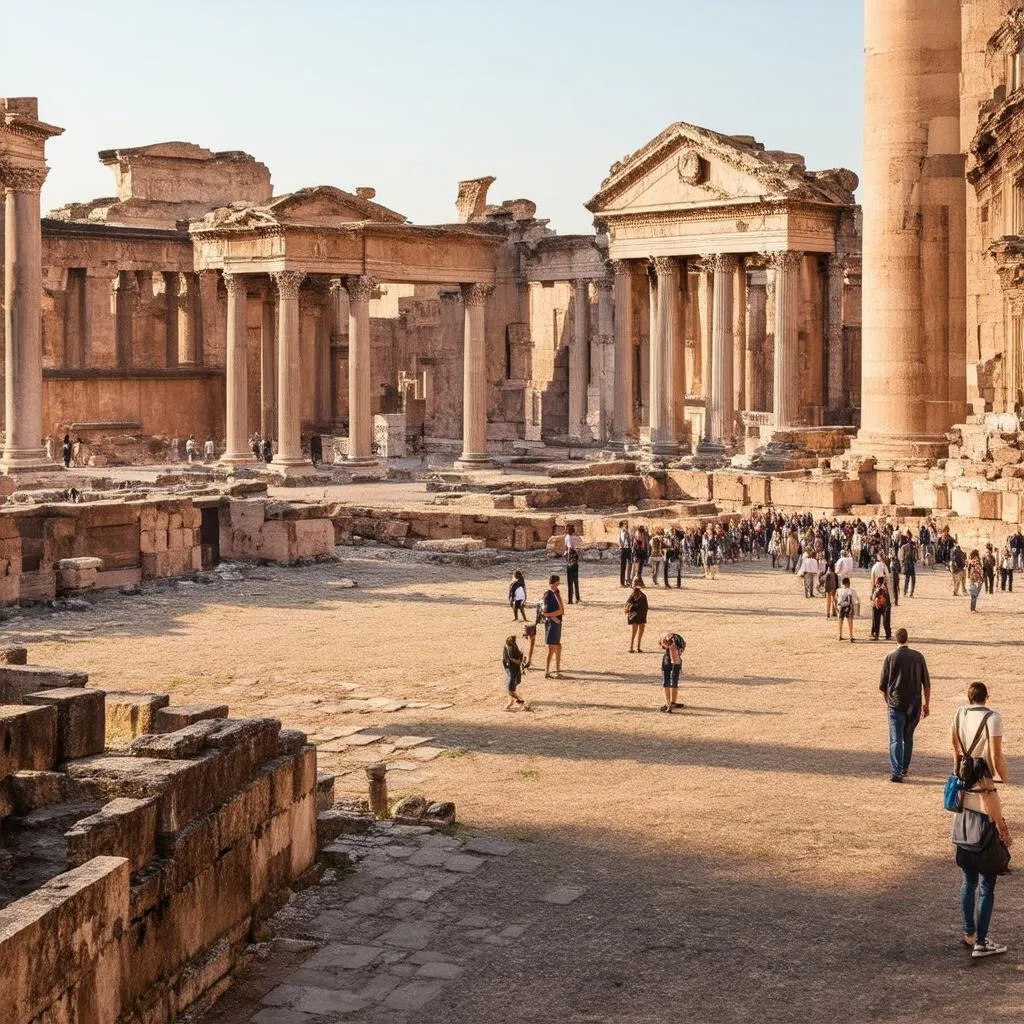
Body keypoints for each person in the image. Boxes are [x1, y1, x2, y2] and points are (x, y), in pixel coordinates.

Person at [951, 681, 1011, 958]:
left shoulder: (959, 715)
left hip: (964, 805)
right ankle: (982, 941)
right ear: (987, 696)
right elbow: (996, 755)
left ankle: (969, 932)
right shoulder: (993, 718)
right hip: (985, 805)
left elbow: (955, 749)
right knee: (987, 883)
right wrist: (1004, 775)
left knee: (968, 880)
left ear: (968, 697)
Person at [879, 628, 930, 782]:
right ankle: (904, 768)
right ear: (908, 639)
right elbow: (926, 684)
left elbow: (882, 686)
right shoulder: (918, 657)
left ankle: (896, 770)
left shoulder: (890, 657)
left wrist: (889, 702)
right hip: (914, 704)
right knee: (908, 737)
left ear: (896, 639)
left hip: (896, 703)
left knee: (895, 738)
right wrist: (926, 704)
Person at [541, 574, 564, 679]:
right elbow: (546, 612)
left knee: (557, 646)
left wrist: (549, 615)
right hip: (552, 623)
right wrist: (554, 614)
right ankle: (547, 671)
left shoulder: (554, 593)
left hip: (554, 623)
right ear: (555, 582)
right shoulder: (549, 594)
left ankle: (556, 670)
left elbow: (561, 610)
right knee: (552, 648)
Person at [658, 632, 684, 713]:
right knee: (672, 681)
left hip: (670, 660)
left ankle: (670, 703)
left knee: (668, 682)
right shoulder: (678, 641)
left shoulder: (672, 642)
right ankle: (671, 703)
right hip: (674, 660)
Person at [502, 635, 529, 711]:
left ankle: (523, 703)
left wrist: (519, 661)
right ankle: (510, 701)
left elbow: (518, 661)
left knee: (510, 689)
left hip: (513, 672)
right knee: (510, 688)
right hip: (511, 671)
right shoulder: (509, 647)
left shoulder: (511, 648)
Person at [625, 579, 648, 654]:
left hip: (638, 616)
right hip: (639, 616)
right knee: (637, 632)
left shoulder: (636, 595)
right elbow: (645, 608)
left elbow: (627, 606)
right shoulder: (642, 596)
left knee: (634, 632)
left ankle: (633, 647)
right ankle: (636, 647)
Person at [870, 578, 892, 642]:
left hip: (885, 606)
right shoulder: (875, 587)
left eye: (879, 583)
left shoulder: (885, 588)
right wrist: (876, 591)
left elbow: (887, 597)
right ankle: (876, 635)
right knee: (876, 621)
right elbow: (872, 597)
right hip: (876, 606)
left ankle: (888, 635)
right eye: (877, 583)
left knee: (886, 622)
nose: (878, 584)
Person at [563, 524, 581, 605]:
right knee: (575, 580)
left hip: (571, 561)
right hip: (574, 561)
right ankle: (577, 598)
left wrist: (569, 559)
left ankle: (570, 600)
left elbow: (569, 548)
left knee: (570, 581)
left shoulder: (568, 537)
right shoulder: (570, 537)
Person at [837, 576, 856, 642]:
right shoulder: (851, 591)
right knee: (850, 622)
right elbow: (854, 600)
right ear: (848, 583)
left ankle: (840, 635)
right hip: (849, 606)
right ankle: (851, 636)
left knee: (840, 621)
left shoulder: (839, 590)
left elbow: (836, 598)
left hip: (841, 606)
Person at [618, 521, 631, 588]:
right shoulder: (621, 533)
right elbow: (620, 541)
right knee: (623, 566)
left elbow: (629, 540)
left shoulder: (627, 532)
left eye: (626, 524)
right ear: (621, 526)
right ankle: (622, 583)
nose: (625, 526)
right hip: (624, 549)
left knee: (629, 564)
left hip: (628, 549)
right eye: (624, 525)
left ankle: (628, 580)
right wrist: (621, 546)